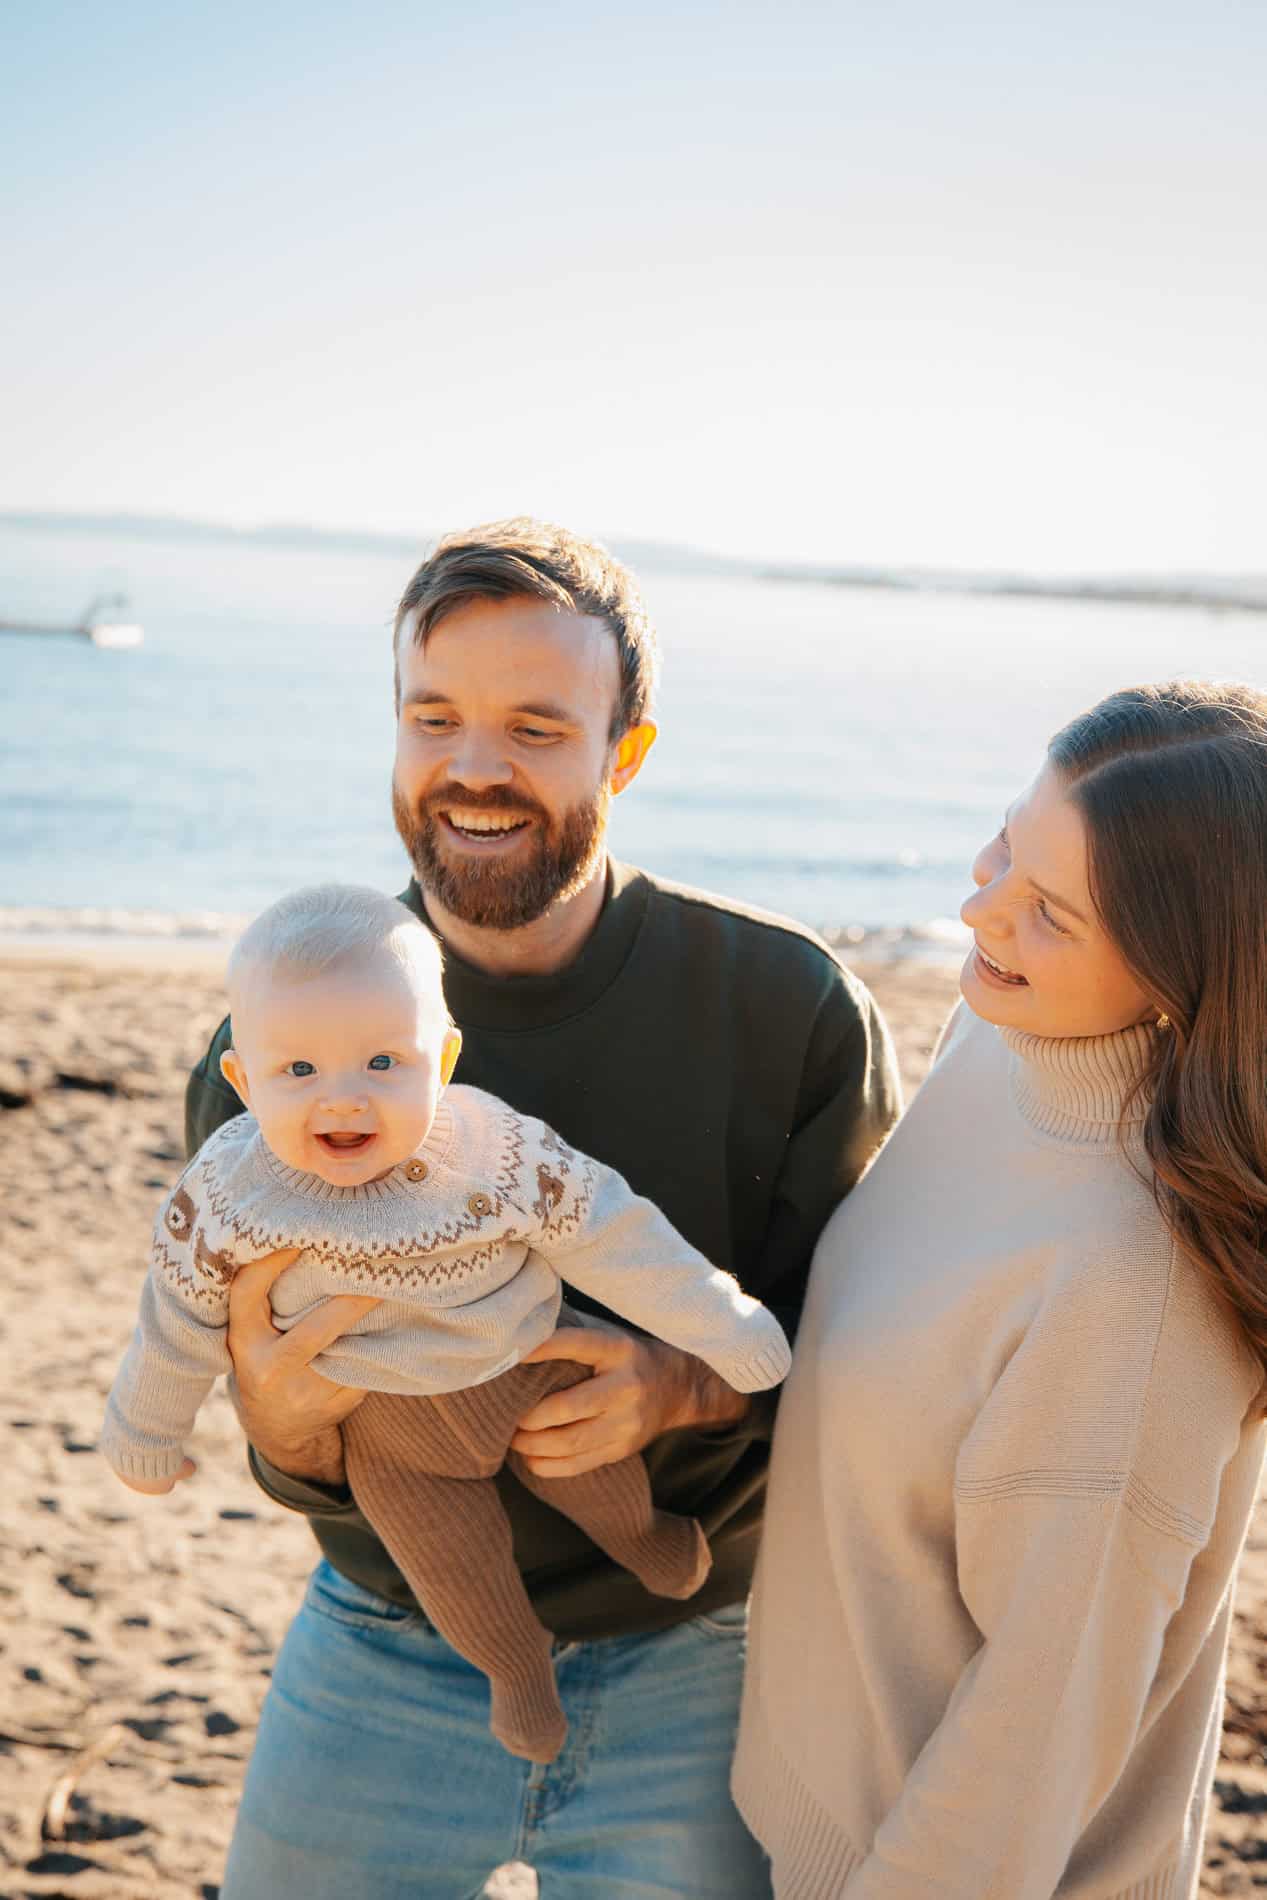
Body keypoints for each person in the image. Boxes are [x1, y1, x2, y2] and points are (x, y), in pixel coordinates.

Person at [184, 520, 902, 1897]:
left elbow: (871, 1366)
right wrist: (278, 1420)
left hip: (709, 1645)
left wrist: (681, 1384)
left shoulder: (789, 1008)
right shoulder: (275, 1046)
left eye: (534, 726)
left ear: (623, 754)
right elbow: (276, 1431)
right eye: (433, 718)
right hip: (385, 1635)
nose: (473, 766)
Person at [733, 679, 1267, 1900]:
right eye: (1006, 844)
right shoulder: (1007, 1033)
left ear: (1179, 969)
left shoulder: (1132, 1294)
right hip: (800, 1815)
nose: (979, 906)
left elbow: (1029, 1741)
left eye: (1048, 911)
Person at [103, 882, 792, 1763]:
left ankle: (646, 1539)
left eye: (383, 1063)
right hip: (389, 1439)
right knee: (455, 1571)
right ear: (241, 1080)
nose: (343, 1100)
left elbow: (612, 1233)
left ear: (445, 1059)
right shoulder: (228, 1190)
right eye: (299, 1071)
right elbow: (175, 1315)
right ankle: (518, 1673)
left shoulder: (491, 1151)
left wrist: (724, 1325)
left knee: (598, 1477)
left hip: (524, 1366)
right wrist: (145, 1430)